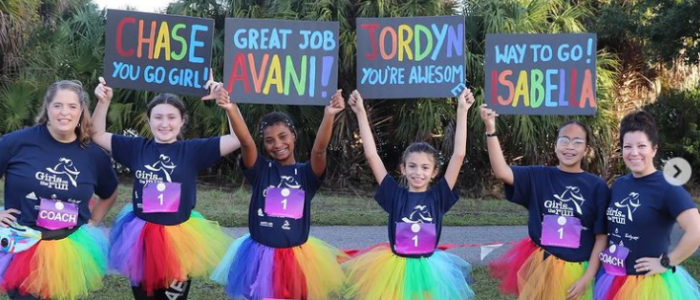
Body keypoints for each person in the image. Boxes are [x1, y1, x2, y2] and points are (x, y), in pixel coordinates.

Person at [91, 76, 240, 300]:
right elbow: (97, 135)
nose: (164, 124)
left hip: (180, 238)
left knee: (173, 298)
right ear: (149, 120)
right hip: (141, 237)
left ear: (182, 121)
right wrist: (103, 102)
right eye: (158, 117)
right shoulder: (136, 148)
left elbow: (237, 138)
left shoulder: (192, 150)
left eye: (171, 117)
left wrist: (229, 105)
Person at [210, 90, 347, 300]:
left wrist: (329, 113)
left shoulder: (306, 175)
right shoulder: (260, 170)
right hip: (259, 257)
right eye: (269, 140)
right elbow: (246, 142)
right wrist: (231, 108)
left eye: (283, 136)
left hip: (295, 259)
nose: (278, 144)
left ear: (294, 135)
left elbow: (319, 150)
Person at [342, 88, 476, 300]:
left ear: (434, 173)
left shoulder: (438, 196)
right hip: (395, 269)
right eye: (412, 166)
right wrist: (360, 112)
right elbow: (372, 155)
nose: (418, 172)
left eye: (424, 168)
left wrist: (462, 110)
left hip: (430, 269)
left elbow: (459, 155)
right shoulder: (395, 195)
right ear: (403, 169)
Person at [0, 80, 119, 300]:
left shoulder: (93, 154)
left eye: (72, 106)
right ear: (47, 107)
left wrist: (93, 222)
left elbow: (110, 191)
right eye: (58, 105)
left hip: (69, 248)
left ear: (81, 110)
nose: (65, 113)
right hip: (23, 247)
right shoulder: (16, 143)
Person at [482, 104, 610, 300]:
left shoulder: (597, 186)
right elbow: (501, 171)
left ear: (586, 149)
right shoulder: (538, 176)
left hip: (577, 271)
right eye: (564, 140)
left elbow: (601, 238)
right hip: (540, 266)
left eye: (577, 142)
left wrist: (587, 277)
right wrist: (491, 129)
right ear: (555, 145)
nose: (570, 147)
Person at [594, 110, 700, 300]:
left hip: (648, 285)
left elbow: (696, 230)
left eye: (641, 146)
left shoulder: (668, 186)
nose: (634, 153)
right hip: (613, 278)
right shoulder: (619, 184)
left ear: (654, 149)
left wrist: (668, 261)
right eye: (628, 146)